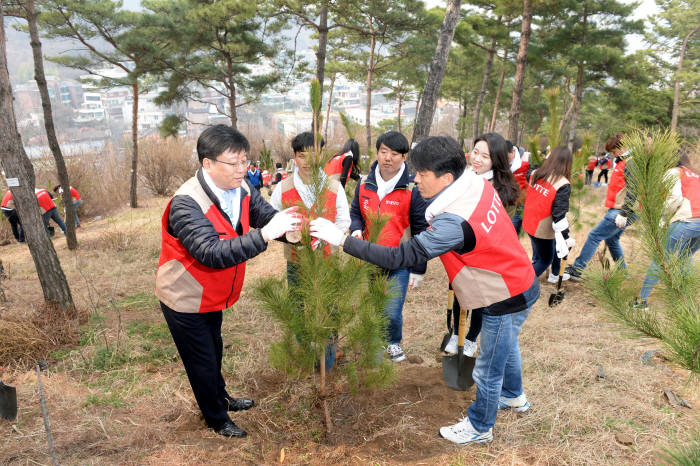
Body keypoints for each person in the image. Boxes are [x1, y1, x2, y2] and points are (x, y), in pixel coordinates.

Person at [310, 136, 540, 445]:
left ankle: (480, 426)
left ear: (446, 177)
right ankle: (513, 396)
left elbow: (400, 257)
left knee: (487, 368)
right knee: (507, 345)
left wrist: (341, 240)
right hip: (521, 279)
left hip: (504, 294)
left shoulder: (452, 221)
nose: (415, 178)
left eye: (423, 173)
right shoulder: (477, 185)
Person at [155, 124, 301, 438]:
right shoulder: (186, 203)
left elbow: (265, 215)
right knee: (202, 359)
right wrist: (264, 236)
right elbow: (210, 252)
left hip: (213, 294)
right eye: (232, 163)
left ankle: (220, 397)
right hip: (185, 296)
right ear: (207, 163)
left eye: (244, 162)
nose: (241, 170)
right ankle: (216, 418)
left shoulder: (243, 189)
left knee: (215, 348)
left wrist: (294, 234)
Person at [269, 131, 351, 370]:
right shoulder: (282, 188)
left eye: (313, 154)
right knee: (299, 310)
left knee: (330, 311)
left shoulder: (334, 188)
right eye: (302, 155)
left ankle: (327, 360)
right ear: (294, 157)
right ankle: (305, 356)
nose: (307, 161)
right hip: (296, 262)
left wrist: (327, 237)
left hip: (328, 262)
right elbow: (271, 220)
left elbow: (344, 222)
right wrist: (290, 236)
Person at [348, 131, 429, 362]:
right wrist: (355, 229)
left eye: (394, 154)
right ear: (376, 152)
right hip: (367, 257)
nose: (387, 158)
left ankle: (392, 342)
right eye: (383, 152)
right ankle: (371, 343)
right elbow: (356, 212)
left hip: (400, 261)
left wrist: (418, 268)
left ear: (404, 157)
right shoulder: (364, 183)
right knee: (369, 306)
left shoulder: (412, 189)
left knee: (392, 311)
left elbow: (422, 231)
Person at [444, 133, 522, 358]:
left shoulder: (502, 190)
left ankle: (470, 339)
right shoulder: (464, 179)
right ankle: (457, 334)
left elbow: (499, 229)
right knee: (460, 294)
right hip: (460, 251)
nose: (477, 159)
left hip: (484, 256)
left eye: (484, 156)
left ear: (495, 160)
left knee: (479, 300)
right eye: (475, 152)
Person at [634, 153, 700, 310]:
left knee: (660, 259)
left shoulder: (673, 172)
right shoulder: (695, 174)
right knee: (685, 257)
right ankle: (689, 302)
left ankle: (642, 302)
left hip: (687, 220)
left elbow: (674, 199)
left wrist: (662, 217)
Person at [566, 133, 633, 279]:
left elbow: (635, 189)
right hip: (619, 208)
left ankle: (577, 269)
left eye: (614, 151)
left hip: (621, 210)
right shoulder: (623, 161)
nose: (613, 155)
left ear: (622, 148)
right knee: (612, 240)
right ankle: (623, 273)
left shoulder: (631, 163)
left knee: (594, 236)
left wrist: (624, 213)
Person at [522, 146, 576, 281]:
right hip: (542, 230)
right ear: (567, 163)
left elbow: (528, 171)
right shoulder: (562, 183)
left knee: (544, 252)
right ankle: (523, 284)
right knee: (545, 259)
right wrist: (566, 237)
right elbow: (559, 215)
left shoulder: (536, 173)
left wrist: (544, 158)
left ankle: (554, 274)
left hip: (529, 222)